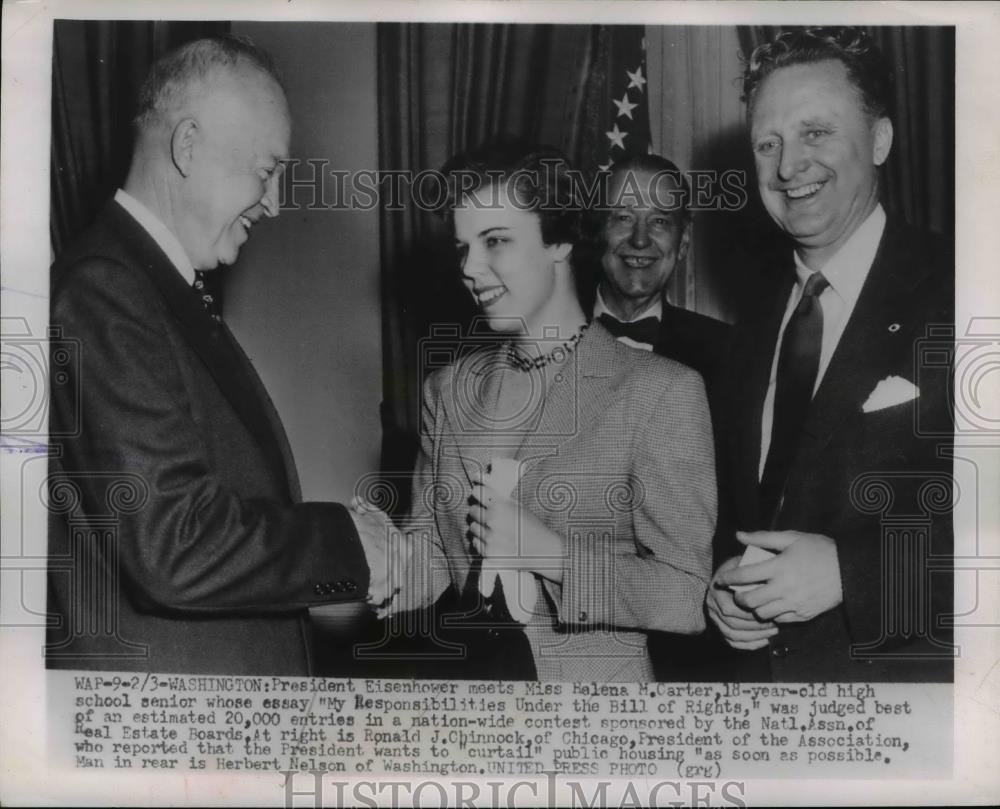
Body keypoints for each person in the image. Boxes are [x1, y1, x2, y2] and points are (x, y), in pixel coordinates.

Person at [47, 36, 390, 676]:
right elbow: (174, 541)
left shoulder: (152, 287)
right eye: (265, 171)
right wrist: (349, 542)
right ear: (186, 147)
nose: (277, 202)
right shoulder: (106, 289)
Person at [362, 140, 716, 681]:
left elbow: (686, 594)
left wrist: (549, 554)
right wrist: (381, 562)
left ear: (560, 242)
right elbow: (434, 554)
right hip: (479, 717)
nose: (470, 269)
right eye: (462, 248)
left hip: (601, 730)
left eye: (495, 241)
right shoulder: (446, 390)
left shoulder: (660, 392)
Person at [706, 27, 954, 682]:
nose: (788, 167)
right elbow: (746, 521)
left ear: (880, 140)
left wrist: (853, 571)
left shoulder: (967, 290)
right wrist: (725, 594)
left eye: (815, 133)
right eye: (769, 143)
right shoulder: (750, 333)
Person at [590, 154, 732, 680]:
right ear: (594, 229)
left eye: (661, 221)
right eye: (623, 216)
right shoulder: (534, 343)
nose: (641, 240)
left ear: (684, 241)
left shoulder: (732, 357)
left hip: (686, 654)